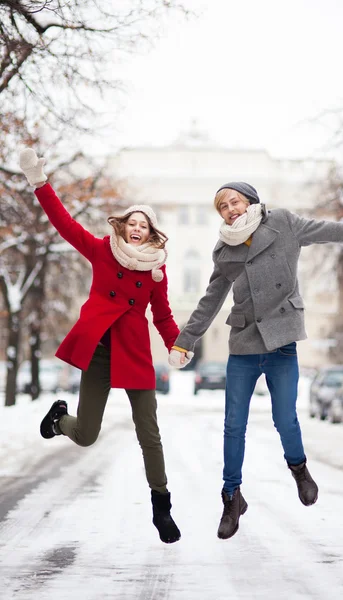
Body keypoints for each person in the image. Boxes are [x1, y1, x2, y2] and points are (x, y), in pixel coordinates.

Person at [168, 181, 343, 540]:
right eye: (222, 206)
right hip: (243, 344)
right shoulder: (225, 249)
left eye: (234, 201)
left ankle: (299, 468)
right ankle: (231, 495)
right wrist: (185, 341)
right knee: (232, 425)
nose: (229, 209)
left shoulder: (283, 223)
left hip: (282, 340)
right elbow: (211, 299)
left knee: (285, 418)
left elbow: (329, 230)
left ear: (250, 201)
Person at [19, 148, 191, 545]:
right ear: (123, 226)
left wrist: (176, 345)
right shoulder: (101, 250)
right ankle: (58, 420)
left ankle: (161, 506)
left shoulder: (154, 274)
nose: (136, 228)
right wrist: (39, 182)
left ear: (151, 234)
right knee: (86, 434)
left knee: (149, 433)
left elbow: (162, 316)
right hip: (99, 349)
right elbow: (64, 224)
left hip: (133, 356)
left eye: (144, 225)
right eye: (132, 222)